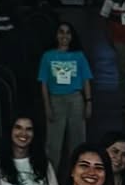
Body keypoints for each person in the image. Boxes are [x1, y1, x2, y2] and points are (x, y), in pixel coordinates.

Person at [38, 21, 93, 171]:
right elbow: (43, 83)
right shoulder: (48, 56)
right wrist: (47, 106)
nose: (64, 35)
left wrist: (88, 102)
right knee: (53, 143)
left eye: (68, 32)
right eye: (61, 32)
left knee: (78, 141)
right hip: (56, 100)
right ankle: (50, 176)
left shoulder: (79, 55)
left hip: (76, 100)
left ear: (72, 36)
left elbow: (86, 79)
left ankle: (77, 174)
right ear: (56, 35)